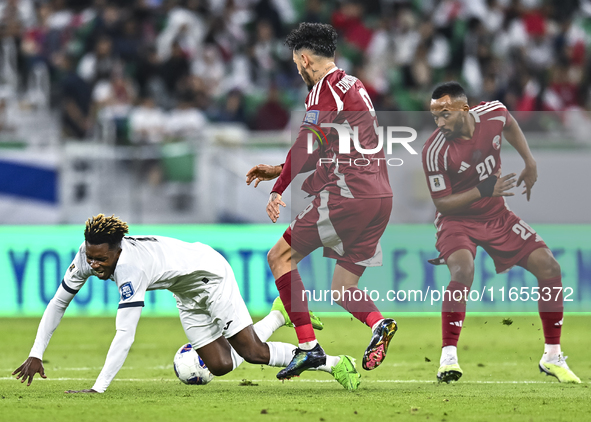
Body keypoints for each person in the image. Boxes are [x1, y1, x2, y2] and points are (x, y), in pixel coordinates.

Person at [12, 214, 361, 392]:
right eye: (91, 256)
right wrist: (36, 352)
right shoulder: (87, 257)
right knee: (220, 365)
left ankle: (334, 363)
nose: (95, 264)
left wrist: (97, 388)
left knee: (253, 352)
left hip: (210, 276)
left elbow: (125, 334)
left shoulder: (131, 266)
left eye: (102, 258)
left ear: (118, 249)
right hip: (184, 290)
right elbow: (58, 302)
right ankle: (277, 314)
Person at [245, 22, 396, 379]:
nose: (298, 69)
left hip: (349, 194)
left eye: (296, 63)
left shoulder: (322, 91)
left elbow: (306, 144)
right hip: (380, 197)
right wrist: (280, 170)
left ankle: (310, 350)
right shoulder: (353, 85)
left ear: (305, 58)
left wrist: (279, 188)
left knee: (280, 256)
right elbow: (322, 148)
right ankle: (379, 323)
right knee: (343, 288)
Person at [422, 82, 580, 384]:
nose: (439, 123)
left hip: (496, 216)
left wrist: (529, 160)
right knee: (463, 270)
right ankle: (448, 357)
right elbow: (442, 203)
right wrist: (483, 189)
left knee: (549, 267)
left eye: (445, 115)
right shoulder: (435, 151)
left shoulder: (491, 113)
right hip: (456, 221)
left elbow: (509, 121)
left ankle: (552, 356)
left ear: (464, 109)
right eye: (434, 117)